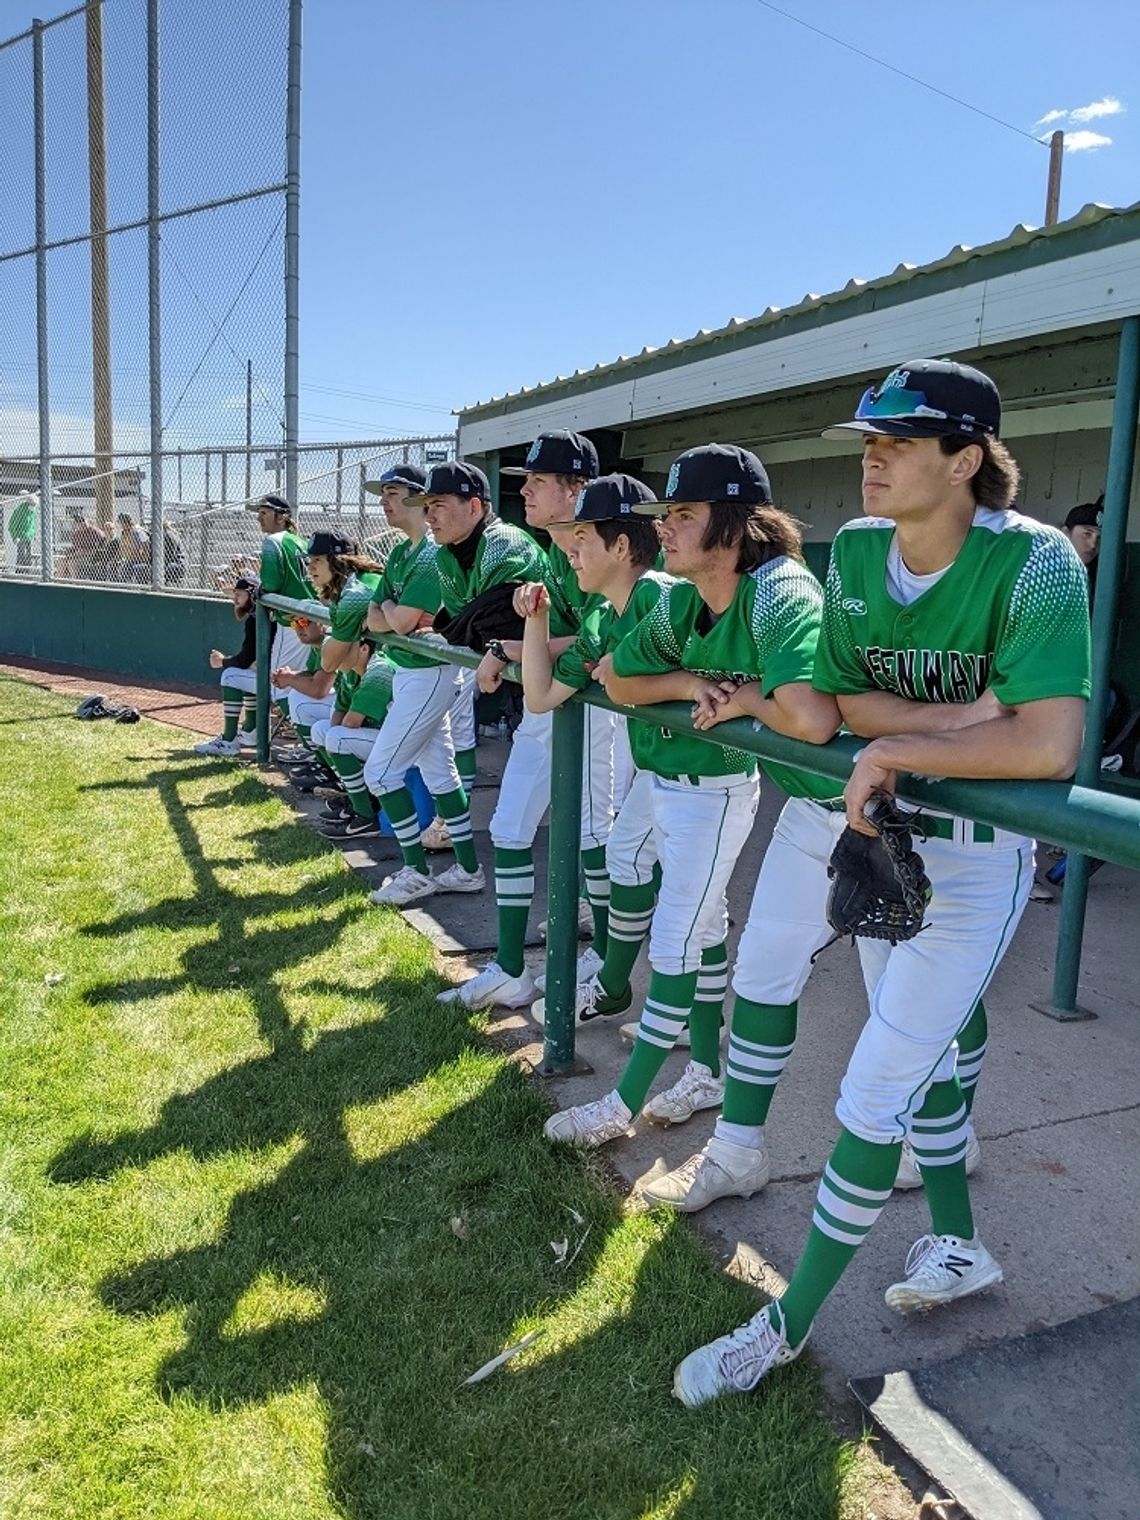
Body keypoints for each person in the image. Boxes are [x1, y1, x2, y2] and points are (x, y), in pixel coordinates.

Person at [671, 358, 1091, 1409]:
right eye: (869, 437)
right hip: (886, 828)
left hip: (977, 854)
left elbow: (1048, 743)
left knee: (873, 1084)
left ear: (967, 457)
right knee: (932, 1048)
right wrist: (955, 722)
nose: (873, 456)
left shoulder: (1036, 563)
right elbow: (839, 706)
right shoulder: (858, 549)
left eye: (900, 440)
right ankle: (958, 1242)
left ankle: (781, 1323)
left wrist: (911, 741)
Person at [541, 445, 840, 1147]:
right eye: (664, 514)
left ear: (735, 526)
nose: (665, 529)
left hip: (862, 808)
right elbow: (619, 680)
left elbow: (809, 718)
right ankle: (707, 1072)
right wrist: (691, 686)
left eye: (684, 513)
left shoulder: (779, 590)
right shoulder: (689, 600)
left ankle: (621, 1105)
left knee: (679, 941)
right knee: (704, 936)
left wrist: (745, 701)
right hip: (800, 804)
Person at [436, 432, 620, 1010]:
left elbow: (595, 642)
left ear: (578, 489)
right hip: (553, 706)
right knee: (510, 828)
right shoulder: (554, 553)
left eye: (539, 481)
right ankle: (510, 969)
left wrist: (509, 648)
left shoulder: (608, 545)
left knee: (601, 840)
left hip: (603, 711)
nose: (525, 489)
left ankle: (608, 963)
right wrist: (511, 643)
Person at [518, 473, 675, 1036]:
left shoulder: (663, 594)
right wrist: (535, 621)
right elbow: (541, 697)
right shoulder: (603, 615)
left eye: (582, 538)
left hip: (710, 776)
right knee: (649, 880)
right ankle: (622, 988)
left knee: (694, 914)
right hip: (663, 771)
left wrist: (625, 673)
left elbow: (704, 679)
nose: (571, 550)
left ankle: (671, 1019)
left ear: (623, 546)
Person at [369, 461, 537, 903]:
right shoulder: (444, 552)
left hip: (573, 686)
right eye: (427, 506)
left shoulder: (504, 541)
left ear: (476, 506)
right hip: (525, 687)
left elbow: (494, 622)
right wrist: (462, 625)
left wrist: (459, 625)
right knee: (468, 794)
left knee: (596, 823)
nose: (430, 516)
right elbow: (471, 625)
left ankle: (417, 871)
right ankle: (465, 869)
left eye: (439, 505)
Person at [193, 574, 265, 757]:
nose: (235, 600)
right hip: (279, 673)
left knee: (231, 675)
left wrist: (222, 661)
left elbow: (244, 660)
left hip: (279, 679)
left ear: (252, 595)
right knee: (246, 672)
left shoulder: (256, 618)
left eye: (239, 595)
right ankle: (250, 731)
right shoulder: (262, 613)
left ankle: (229, 741)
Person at [9, 494, 38, 573]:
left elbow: (32, 524)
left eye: (35, 505)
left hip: (29, 537)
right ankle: (20, 572)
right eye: (33, 505)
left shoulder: (32, 511)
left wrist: (34, 534)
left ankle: (27, 572)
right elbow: (12, 524)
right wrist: (14, 537)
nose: (34, 506)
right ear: (28, 503)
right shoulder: (20, 510)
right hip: (20, 536)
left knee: (28, 556)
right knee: (22, 555)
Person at [118, 513, 150, 583]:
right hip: (129, 559)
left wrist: (141, 558)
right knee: (123, 571)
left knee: (129, 569)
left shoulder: (137, 531)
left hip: (140, 560)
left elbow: (144, 546)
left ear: (126, 522)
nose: (120, 525)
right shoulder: (124, 532)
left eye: (121, 522)